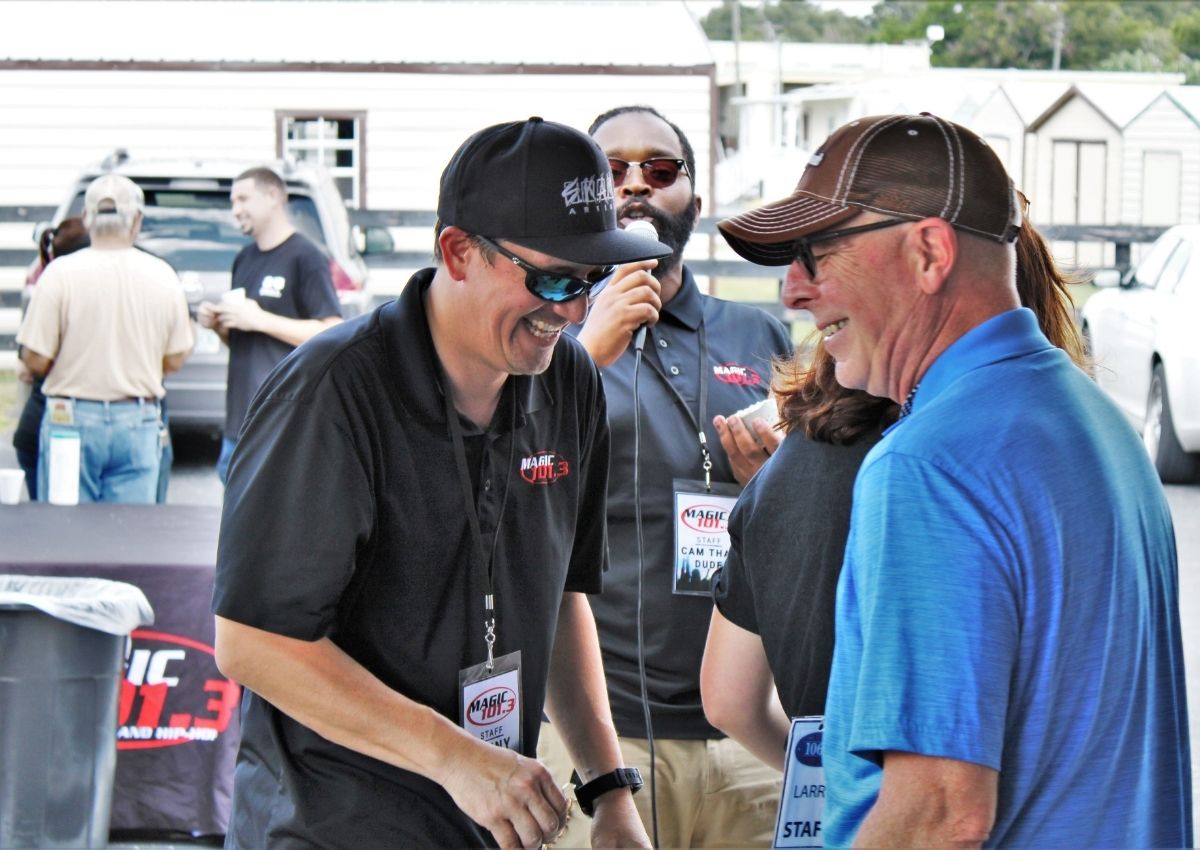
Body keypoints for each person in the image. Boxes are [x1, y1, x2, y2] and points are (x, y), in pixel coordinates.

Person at [712, 112, 1191, 849]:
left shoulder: (926, 463)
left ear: (930, 252)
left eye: (816, 253)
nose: (793, 292)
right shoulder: (1095, 420)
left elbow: (940, 815)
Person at [211, 117, 671, 850]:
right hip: (333, 829)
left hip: (486, 824)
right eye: (552, 278)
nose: (573, 311)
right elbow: (252, 642)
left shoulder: (569, 379)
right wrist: (454, 757)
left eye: (592, 280)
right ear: (458, 251)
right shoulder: (333, 393)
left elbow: (561, 597)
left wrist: (609, 790)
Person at [699, 210, 1091, 773]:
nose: (797, 290)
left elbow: (728, 700)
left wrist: (827, 783)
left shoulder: (783, 470)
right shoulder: (982, 465)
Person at [535, 105, 792, 849]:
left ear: (694, 203)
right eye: (610, 170)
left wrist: (771, 483)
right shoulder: (540, 334)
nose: (635, 184)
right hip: (597, 738)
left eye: (660, 168)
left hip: (747, 729)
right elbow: (503, 486)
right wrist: (584, 348)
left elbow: (809, 518)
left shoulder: (757, 333)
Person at [16, 175, 193, 504]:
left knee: (66, 528)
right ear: (136, 220)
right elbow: (175, 359)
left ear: (86, 218)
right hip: (137, 420)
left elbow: (36, 359)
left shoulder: (59, 275)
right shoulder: (163, 276)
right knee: (129, 532)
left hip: (70, 417)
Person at [197, 166, 342, 483]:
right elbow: (248, 343)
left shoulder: (306, 257)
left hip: (280, 422)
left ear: (273, 196)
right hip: (238, 422)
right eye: (233, 202)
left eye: (243, 199)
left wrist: (260, 319)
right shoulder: (244, 258)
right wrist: (221, 325)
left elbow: (332, 332)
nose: (235, 210)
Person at [13, 217, 90, 499]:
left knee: (51, 517)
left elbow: (26, 367)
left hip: (36, 423)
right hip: (56, 426)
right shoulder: (64, 287)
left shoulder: (49, 287)